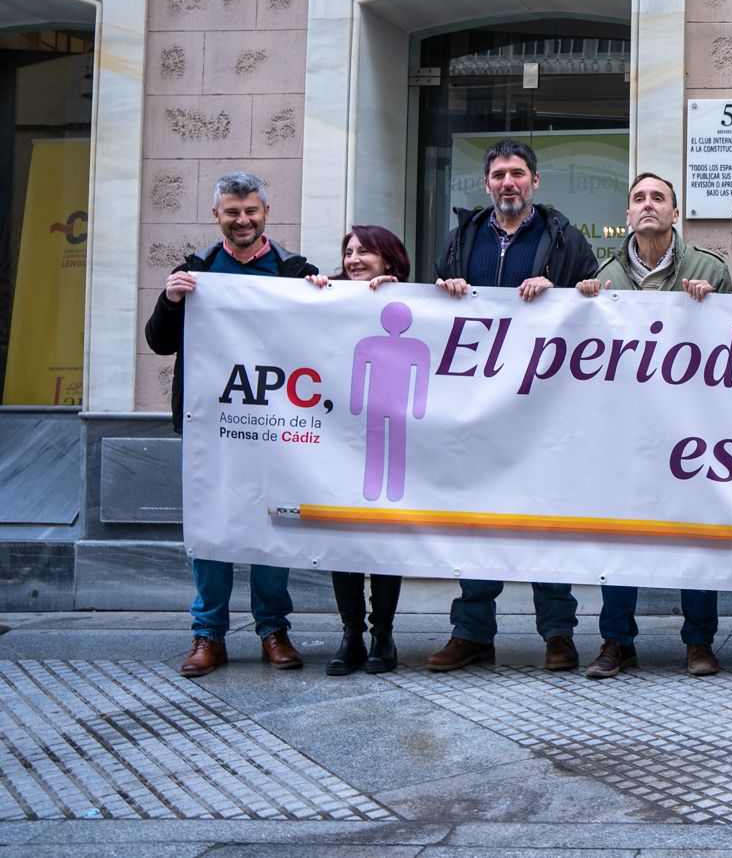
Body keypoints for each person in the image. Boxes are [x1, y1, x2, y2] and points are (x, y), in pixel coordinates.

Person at [425, 138, 599, 672]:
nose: (508, 183)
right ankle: (472, 632)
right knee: (477, 518)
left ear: (535, 182)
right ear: (486, 184)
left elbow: (594, 303)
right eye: (499, 174)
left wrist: (563, 291)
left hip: (545, 407)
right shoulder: (462, 238)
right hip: (477, 408)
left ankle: (558, 634)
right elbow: (436, 309)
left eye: (517, 173)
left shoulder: (566, 239)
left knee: (545, 517)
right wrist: (446, 287)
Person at [145, 172, 318, 678]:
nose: (242, 220)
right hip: (211, 427)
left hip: (276, 426)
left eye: (251, 211)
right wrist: (170, 299)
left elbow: (322, 340)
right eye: (231, 212)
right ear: (217, 216)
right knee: (212, 526)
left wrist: (324, 296)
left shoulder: (295, 271)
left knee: (272, 526)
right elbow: (159, 342)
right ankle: (208, 635)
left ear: (266, 213)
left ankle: (273, 630)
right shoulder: (195, 270)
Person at [576, 171, 732, 679]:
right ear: (627, 215)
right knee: (622, 532)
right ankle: (616, 641)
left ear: (674, 212)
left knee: (695, 531)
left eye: (658, 198)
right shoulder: (603, 275)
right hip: (626, 431)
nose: (648, 205)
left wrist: (715, 304)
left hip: (692, 426)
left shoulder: (709, 268)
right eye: (639, 198)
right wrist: (581, 304)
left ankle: (699, 641)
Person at [306, 224, 413, 676]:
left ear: (388, 260)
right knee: (343, 535)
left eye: (365, 252)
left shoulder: (412, 304)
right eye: (348, 251)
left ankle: (382, 635)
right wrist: (312, 291)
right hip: (340, 436)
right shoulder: (328, 298)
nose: (353, 259)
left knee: (384, 530)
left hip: (399, 431)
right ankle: (351, 633)